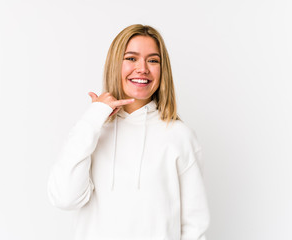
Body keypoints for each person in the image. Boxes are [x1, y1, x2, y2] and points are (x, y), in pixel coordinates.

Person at [47, 24, 210, 240]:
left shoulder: (180, 136)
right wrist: (94, 117)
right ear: (116, 65)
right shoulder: (92, 131)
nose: (142, 68)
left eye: (153, 60)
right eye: (131, 58)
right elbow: (64, 198)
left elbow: (194, 226)